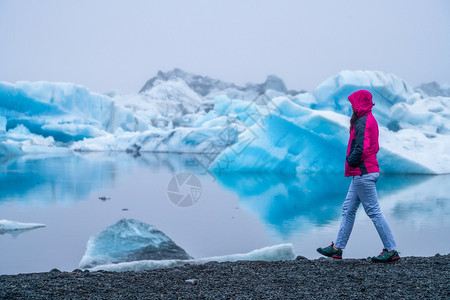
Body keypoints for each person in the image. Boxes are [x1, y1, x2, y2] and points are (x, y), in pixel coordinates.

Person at [317, 90, 400, 262]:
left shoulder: (363, 121)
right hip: (363, 172)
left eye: (353, 104)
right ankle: (337, 248)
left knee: (373, 211)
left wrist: (351, 160)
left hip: (363, 172)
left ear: (359, 104)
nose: (352, 107)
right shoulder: (369, 119)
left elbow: (362, 147)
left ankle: (391, 250)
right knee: (348, 209)